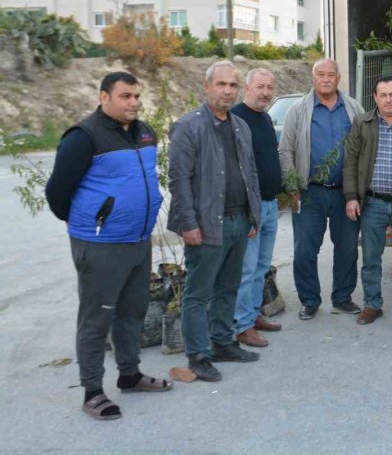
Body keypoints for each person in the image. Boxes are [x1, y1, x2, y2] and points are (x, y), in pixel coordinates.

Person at [46, 72, 170, 420]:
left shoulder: (145, 132)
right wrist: (89, 223)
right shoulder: (83, 137)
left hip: (138, 240)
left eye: (136, 96)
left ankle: (129, 374)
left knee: (132, 312)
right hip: (101, 244)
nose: (133, 102)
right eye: (125, 96)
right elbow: (57, 192)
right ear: (104, 98)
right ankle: (93, 391)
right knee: (96, 318)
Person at [168, 61, 262, 382]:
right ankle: (197, 355)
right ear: (206, 87)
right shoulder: (188, 126)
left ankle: (223, 343)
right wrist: (188, 223)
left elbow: (249, 173)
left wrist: (254, 215)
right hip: (207, 224)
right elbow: (178, 179)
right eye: (221, 85)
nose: (227, 91)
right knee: (198, 293)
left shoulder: (240, 127)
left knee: (228, 287)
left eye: (233, 86)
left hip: (238, 220)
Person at [279, 59, 364, 321]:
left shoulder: (353, 108)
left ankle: (342, 298)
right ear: (313, 77)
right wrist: (292, 188)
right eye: (320, 74)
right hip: (308, 192)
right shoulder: (298, 109)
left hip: (345, 193)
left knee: (348, 248)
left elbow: (364, 148)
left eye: (331, 75)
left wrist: (359, 191)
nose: (326, 79)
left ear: (338, 78)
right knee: (304, 249)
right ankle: (309, 300)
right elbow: (286, 150)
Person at [344, 76, 392, 325]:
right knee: (370, 259)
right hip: (373, 203)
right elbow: (351, 162)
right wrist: (351, 197)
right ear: (375, 97)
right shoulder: (362, 123)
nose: (388, 99)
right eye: (383, 95)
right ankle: (372, 304)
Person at [231, 68, 282, 348]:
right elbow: (236, 169)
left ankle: (253, 314)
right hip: (251, 208)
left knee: (262, 266)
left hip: (271, 204)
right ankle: (242, 326)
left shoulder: (264, 119)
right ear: (247, 87)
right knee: (247, 269)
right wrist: (248, 212)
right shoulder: (237, 118)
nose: (265, 93)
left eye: (269, 88)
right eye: (260, 87)